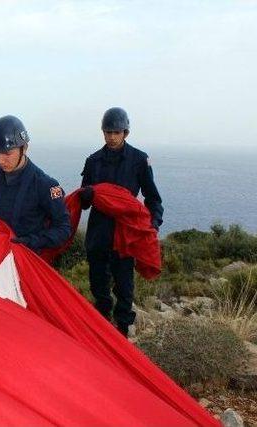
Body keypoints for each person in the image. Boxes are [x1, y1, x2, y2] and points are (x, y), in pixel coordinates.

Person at [80, 107, 164, 337]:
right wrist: (85, 196)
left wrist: (152, 226)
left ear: (125, 132)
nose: (112, 136)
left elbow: (152, 197)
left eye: (116, 132)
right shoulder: (93, 161)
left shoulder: (138, 160)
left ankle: (123, 334)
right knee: (99, 287)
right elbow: (84, 200)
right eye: (108, 132)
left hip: (125, 236)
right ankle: (102, 332)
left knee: (125, 289)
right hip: (98, 235)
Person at [0, 115, 71, 253]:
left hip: (26, 259)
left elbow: (63, 228)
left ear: (24, 147)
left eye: (7, 153)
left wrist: (32, 241)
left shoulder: (46, 185)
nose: (0, 160)